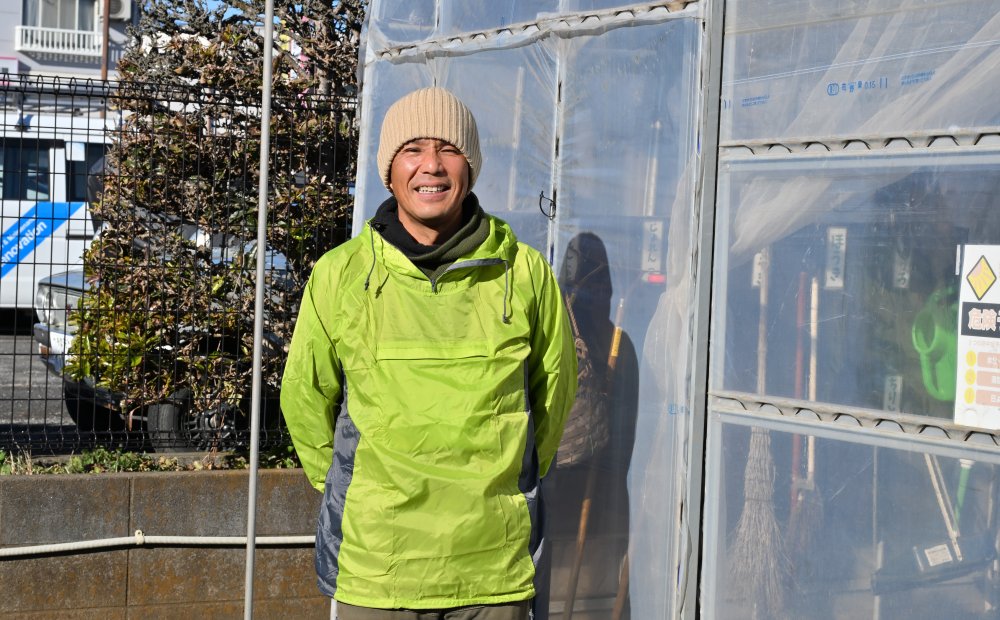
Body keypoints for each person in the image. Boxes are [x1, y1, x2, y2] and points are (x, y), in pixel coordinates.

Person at [280, 86, 578, 620]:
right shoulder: (341, 275)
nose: (432, 166)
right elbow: (305, 398)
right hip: (379, 570)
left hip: (492, 572)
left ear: (472, 166)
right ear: (389, 170)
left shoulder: (525, 274)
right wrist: (355, 487)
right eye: (413, 149)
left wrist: (504, 483)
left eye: (449, 149)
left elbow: (553, 397)